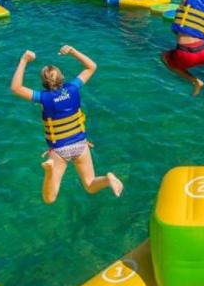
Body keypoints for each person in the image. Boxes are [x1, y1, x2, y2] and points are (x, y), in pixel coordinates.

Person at [10, 46, 123, 204]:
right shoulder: (73, 88)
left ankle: (49, 171)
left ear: (44, 83)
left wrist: (24, 60)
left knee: (49, 198)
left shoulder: (43, 97)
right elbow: (92, 66)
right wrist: (72, 51)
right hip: (81, 145)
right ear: (62, 77)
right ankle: (108, 179)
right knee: (90, 185)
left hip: (59, 151)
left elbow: (15, 88)